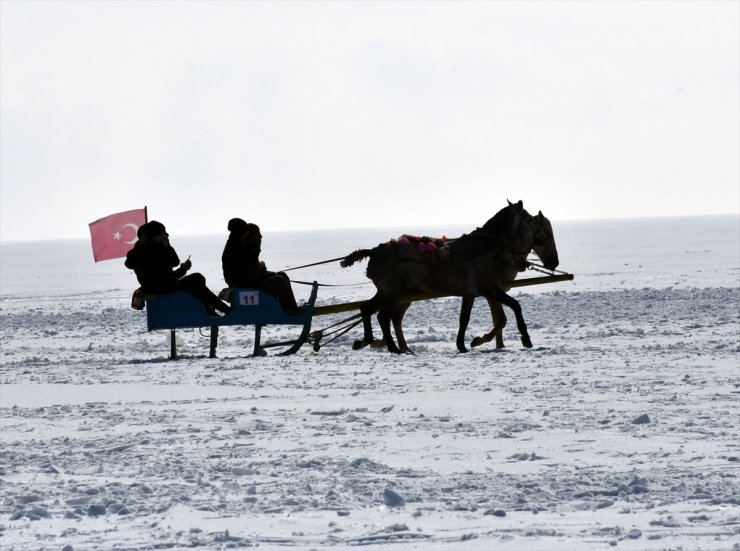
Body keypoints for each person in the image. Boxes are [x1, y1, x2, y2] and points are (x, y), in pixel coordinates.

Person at [125, 221, 232, 317]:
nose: (166, 235)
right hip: (158, 289)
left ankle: (210, 310)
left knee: (197, 279)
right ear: (153, 236)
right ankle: (220, 310)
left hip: (166, 286)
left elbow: (170, 268)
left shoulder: (158, 249)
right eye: (163, 233)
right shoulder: (141, 252)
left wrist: (182, 269)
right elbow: (130, 263)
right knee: (195, 279)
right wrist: (143, 246)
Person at [222, 218, 303, 314]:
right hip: (245, 288)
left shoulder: (238, 245)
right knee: (279, 281)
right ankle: (291, 310)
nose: (247, 234)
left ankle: (289, 307)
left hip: (247, 284)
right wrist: (259, 264)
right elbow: (250, 272)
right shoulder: (236, 250)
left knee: (282, 275)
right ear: (240, 233)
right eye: (245, 232)